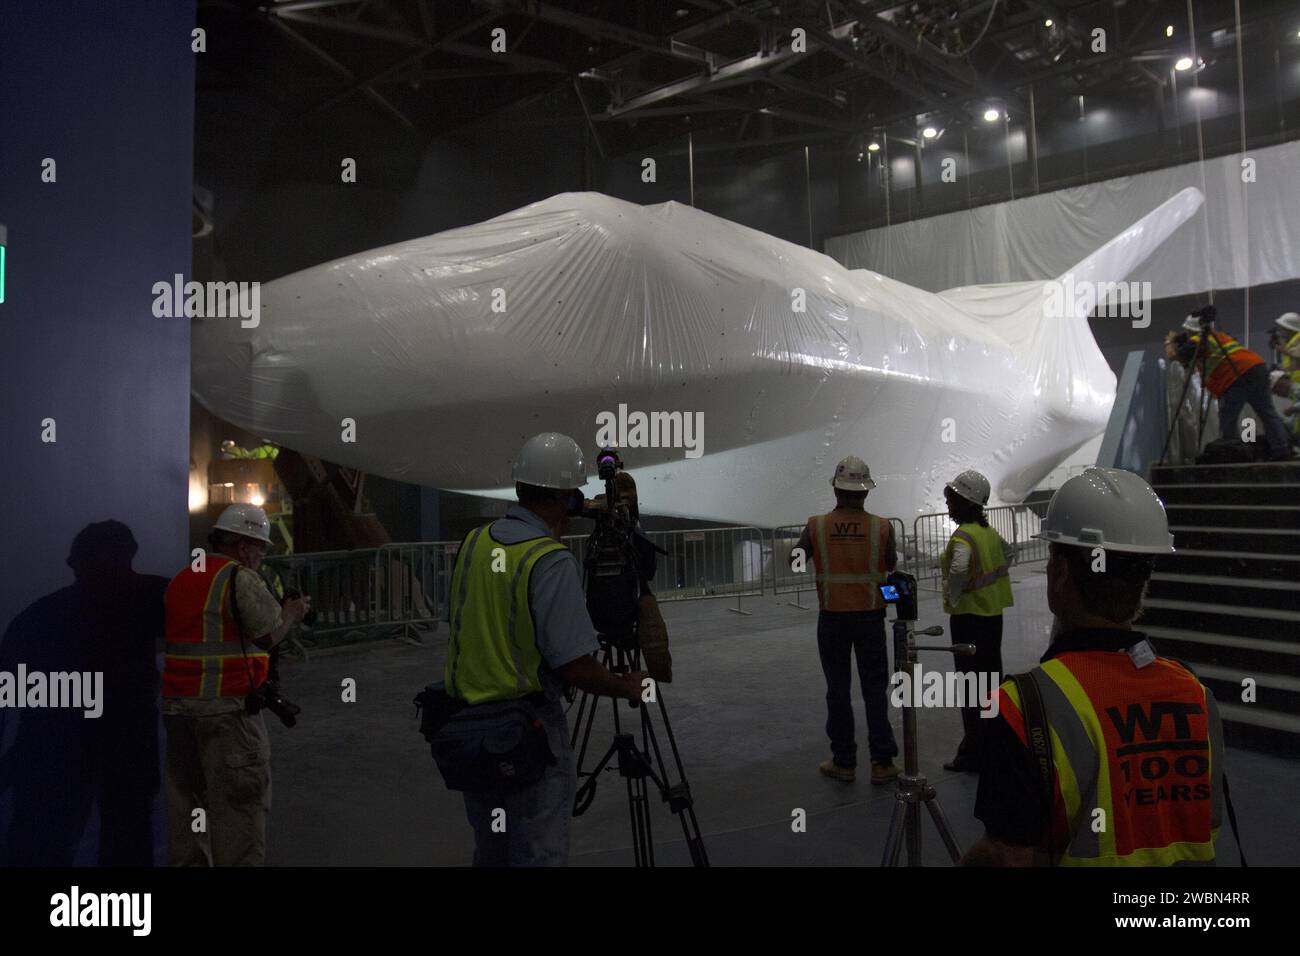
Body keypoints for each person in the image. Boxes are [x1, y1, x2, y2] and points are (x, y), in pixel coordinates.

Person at [962, 468, 1224, 866]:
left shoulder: (1020, 708)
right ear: (1143, 581)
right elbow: (1207, 823)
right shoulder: (1195, 694)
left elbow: (1005, 855)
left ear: (1061, 573)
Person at [443, 432, 645, 866]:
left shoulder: (475, 542)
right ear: (566, 498)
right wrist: (626, 685)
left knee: (493, 850)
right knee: (537, 852)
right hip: (524, 734)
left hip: (469, 733)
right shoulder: (548, 560)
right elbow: (575, 666)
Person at [162, 504, 308, 866]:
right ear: (243, 546)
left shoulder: (183, 577)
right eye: (260, 548)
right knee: (238, 816)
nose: (260, 556)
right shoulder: (239, 578)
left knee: (188, 814)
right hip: (227, 716)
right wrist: (290, 614)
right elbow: (267, 636)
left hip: (178, 714)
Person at [793, 456, 899, 785]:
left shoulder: (816, 526)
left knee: (838, 691)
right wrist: (893, 603)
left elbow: (796, 562)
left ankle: (845, 762)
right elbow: (890, 569)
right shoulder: (882, 527)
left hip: (832, 621)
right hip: (870, 619)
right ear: (865, 493)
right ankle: (882, 763)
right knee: (874, 691)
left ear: (836, 490)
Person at [939, 470, 1014, 773]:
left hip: (968, 619)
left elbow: (958, 569)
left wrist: (954, 595)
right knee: (991, 683)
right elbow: (1009, 553)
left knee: (970, 686)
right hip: (993, 617)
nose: (949, 506)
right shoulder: (988, 532)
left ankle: (973, 752)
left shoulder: (963, 537)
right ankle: (994, 745)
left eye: (952, 501)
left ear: (965, 503)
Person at [1166, 312, 1292, 460]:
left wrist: (1169, 341)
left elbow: (1174, 356)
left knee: (1228, 418)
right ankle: (1282, 451)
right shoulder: (1218, 337)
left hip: (1236, 377)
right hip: (1257, 368)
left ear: (1190, 330)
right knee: (1267, 413)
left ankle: (1234, 455)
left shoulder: (1197, 341)